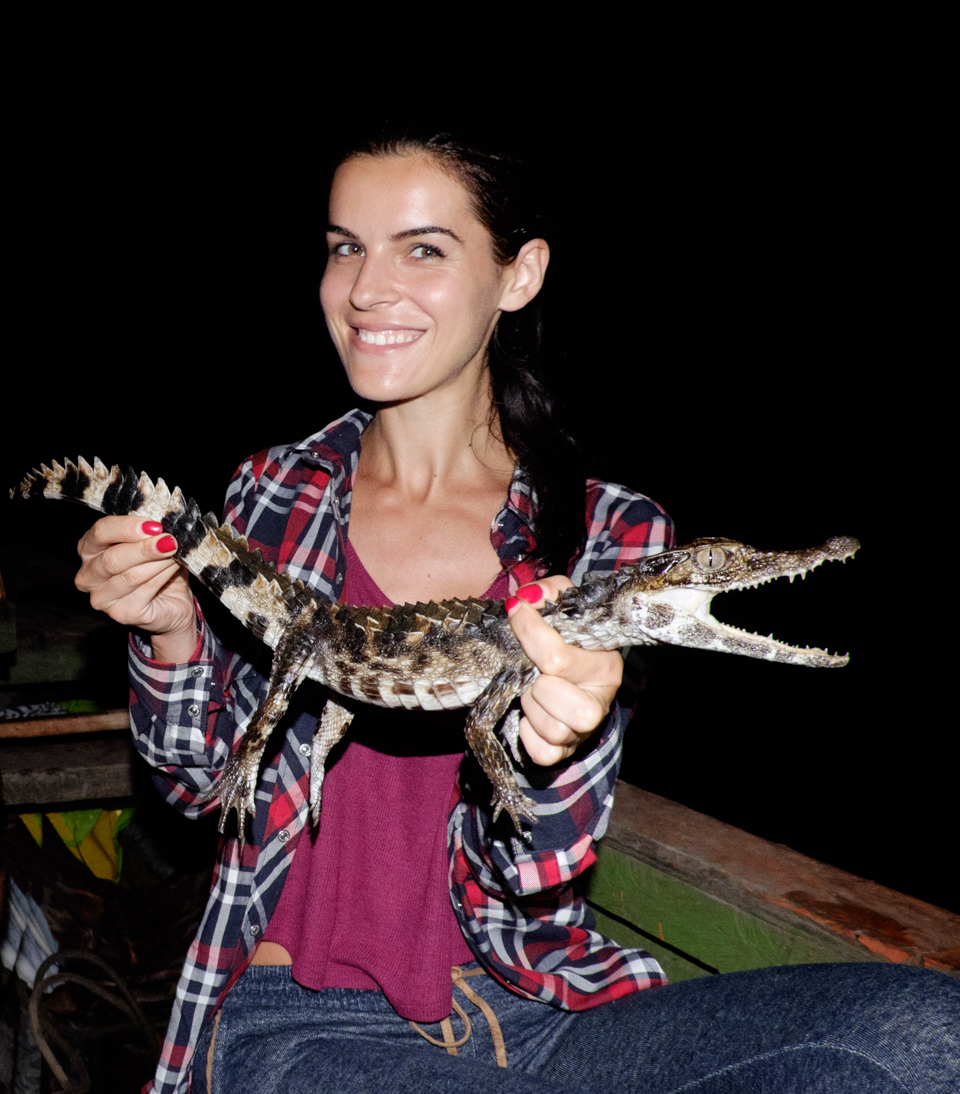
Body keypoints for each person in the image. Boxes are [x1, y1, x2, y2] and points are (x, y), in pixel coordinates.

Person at [75, 128, 958, 1094]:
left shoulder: (608, 534)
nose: (368, 289)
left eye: (423, 248)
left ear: (519, 273)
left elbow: (531, 873)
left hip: (542, 1007)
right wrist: (168, 633)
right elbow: (203, 789)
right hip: (310, 1024)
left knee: (925, 1030)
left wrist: (557, 752)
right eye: (345, 246)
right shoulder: (272, 497)